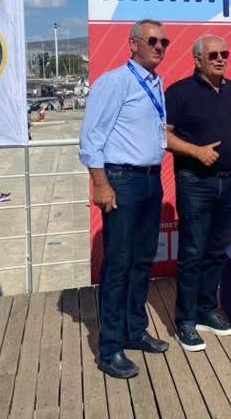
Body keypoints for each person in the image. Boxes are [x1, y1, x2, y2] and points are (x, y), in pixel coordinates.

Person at [79, 19, 171, 379]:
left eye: (164, 42)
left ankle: (135, 331)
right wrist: (101, 185)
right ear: (133, 44)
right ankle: (110, 348)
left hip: (150, 180)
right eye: (152, 40)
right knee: (118, 264)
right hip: (122, 180)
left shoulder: (156, 83)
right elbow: (92, 138)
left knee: (142, 260)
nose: (159, 46)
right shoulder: (114, 82)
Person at [166, 35, 231, 350]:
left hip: (228, 181)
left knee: (217, 250)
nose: (220, 59)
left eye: (224, 54)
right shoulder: (179, 92)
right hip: (195, 182)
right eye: (213, 55)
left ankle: (206, 310)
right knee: (192, 253)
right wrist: (196, 151)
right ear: (198, 60)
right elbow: (163, 135)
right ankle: (186, 320)